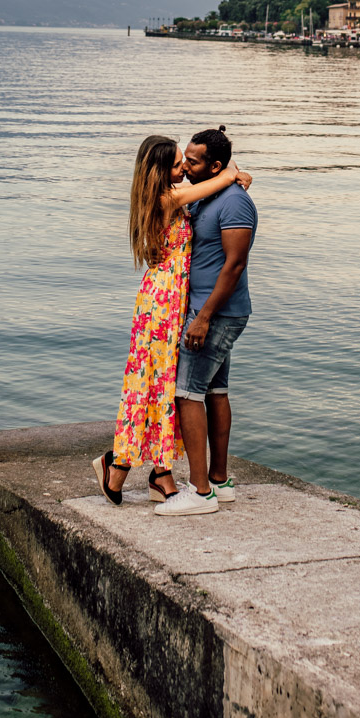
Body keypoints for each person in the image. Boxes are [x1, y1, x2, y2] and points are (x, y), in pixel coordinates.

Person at [93, 133, 251, 507]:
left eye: (186, 162)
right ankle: (119, 464)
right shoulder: (165, 198)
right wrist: (233, 174)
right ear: (160, 171)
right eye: (178, 163)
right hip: (163, 301)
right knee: (157, 383)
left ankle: (158, 472)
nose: (183, 169)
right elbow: (214, 183)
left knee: (162, 383)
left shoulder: (167, 198)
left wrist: (230, 178)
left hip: (172, 298)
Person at [156, 125, 257, 518]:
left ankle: (200, 493)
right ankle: (219, 480)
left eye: (193, 162)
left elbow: (235, 265)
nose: (185, 167)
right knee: (215, 391)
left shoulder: (234, 203)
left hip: (214, 313)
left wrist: (203, 318)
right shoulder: (210, 192)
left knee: (187, 394)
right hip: (206, 310)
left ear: (214, 165)